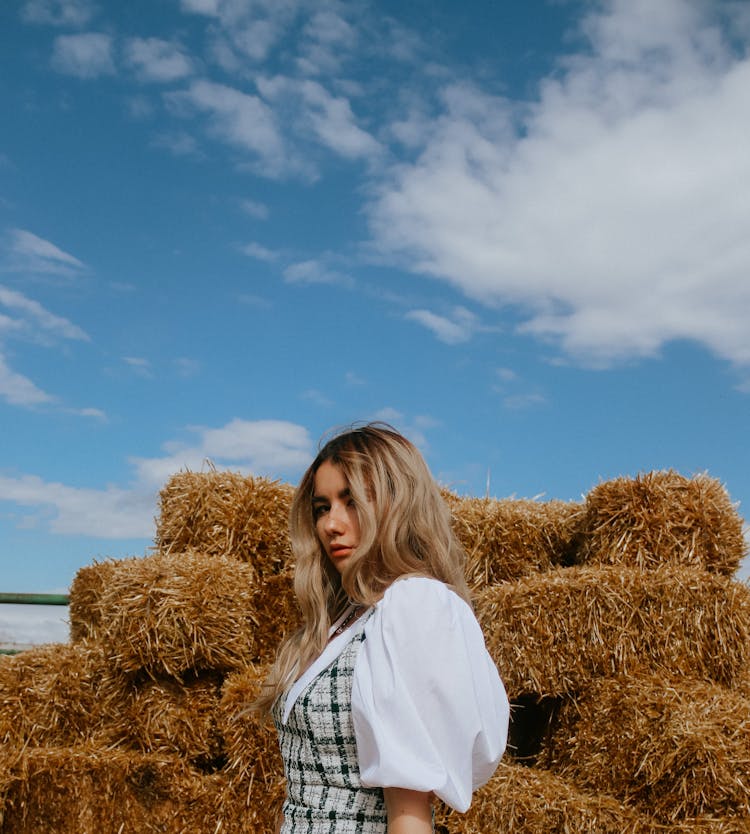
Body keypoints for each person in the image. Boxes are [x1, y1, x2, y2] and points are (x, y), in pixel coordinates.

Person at [256, 423, 509, 833]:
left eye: (351, 501)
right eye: (322, 507)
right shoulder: (348, 619)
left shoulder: (412, 607)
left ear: (398, 504)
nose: (331, 525)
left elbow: (408, 816)